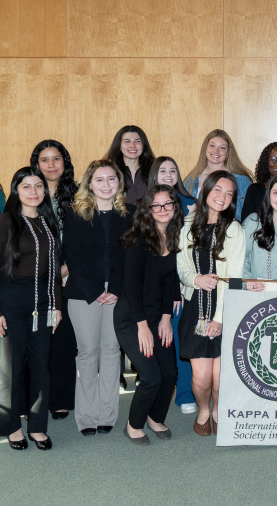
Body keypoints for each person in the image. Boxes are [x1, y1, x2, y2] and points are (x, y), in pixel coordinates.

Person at [0, 167, 62, 451]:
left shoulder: (48, 222)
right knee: (9, 370)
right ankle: (12, 425)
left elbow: (53, 271)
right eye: (26, 186)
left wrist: (56, 306)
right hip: (9, 303)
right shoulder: (6, 222)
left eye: (39, 186)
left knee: (41, 367)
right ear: (16, 190)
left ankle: (38, 426)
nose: (34, 192)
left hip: (42, 305)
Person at [63, 160, 134, 436]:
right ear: (89, 184)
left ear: (119, 183)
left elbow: (130, 254)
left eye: (111, 179)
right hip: (84, 292)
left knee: (111, 351)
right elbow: (74, 258)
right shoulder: (75, 213)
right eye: (99, 179)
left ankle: (107, 414)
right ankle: (86, 416)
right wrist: (96, 291)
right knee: (88, 352)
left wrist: (115, 288)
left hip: (118, 290)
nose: (106, 184)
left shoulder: (130, 213)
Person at [177, 170, 246, 435]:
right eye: (218, 190)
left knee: (219, 377)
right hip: (195, 310)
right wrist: (195, 279)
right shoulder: (187, 224)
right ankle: (203, 409)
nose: (222, 197)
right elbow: (181, 264)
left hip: (223, 310)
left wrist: (220, 317)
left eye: (229, 193)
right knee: (202, 376)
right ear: (205, 190)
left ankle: (218, 411)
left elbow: (234, 277)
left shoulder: (233, 229)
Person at [115, 185, 184, 444]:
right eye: (157, 205)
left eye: (168, 204)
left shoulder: (175, 237)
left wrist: (166, 318)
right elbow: (131, 287)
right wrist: (142, 326)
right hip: (132, 316)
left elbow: (169, 283)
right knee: (151, 377)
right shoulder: (137, 240)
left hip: (158, 315)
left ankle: (155, 418)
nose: (163, 209)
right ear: (148, 209)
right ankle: (133, 425)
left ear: (175, 207)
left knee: (169, 373)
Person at [30, 139, 79, 420]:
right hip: (35, 276)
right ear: (36, 163)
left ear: (65, 162)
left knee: (63, 340)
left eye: (56, 158)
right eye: (44, 159)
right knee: (36, 340)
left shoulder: (77, 195)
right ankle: (35, 397)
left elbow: (85, 237)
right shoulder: (28, 191)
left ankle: (60, 397)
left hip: (68, 275)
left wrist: (65, 268)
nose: (51, 165)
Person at [147, 156, 197, 414]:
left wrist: (178, 287)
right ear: (154, 175)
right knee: (161, 346)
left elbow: (190, 254)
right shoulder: (147, 207)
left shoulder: (193, 206)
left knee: (182, 343)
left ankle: (185, 393)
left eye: (173, 170)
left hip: (183, 288)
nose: (168, 174)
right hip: (153, 292)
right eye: (163, 170)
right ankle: (163, 389)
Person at [183, 130, 253, 221]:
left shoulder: (242, 181)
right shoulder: (191, 181)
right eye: (212, 146)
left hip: (231, 233)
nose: (216, 151)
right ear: (205, 148)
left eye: (222, 148)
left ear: (228, 153)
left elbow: (249, 218)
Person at [104, 125, 157, 205]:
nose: (132, 145)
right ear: (119, 145)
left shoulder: (155, 171)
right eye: (127, 141)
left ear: (143, 145)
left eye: (137, 141)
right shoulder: (108, 172)